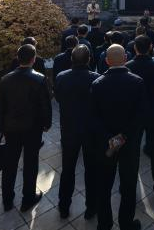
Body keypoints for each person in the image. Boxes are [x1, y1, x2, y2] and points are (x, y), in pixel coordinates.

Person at [90, 44, 147, 230]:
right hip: (129, 143)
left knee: (104, 185)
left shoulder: (97, 84)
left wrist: (111, 139)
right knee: (128, 185)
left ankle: (104, 223)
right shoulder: (137, 82)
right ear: (125, 59)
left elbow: (94, 117)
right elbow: (140, 116)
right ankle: (126, 223)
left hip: (106, 144)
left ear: (107, 61)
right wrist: (123, 137)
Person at [0, 44, 52, 212]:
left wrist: (1, 127)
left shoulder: (5, 79)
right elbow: (45, 105)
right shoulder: (40, 79)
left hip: (11, 127)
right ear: (34, 59)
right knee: (30, 162)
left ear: (17, 58)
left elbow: (0, 107)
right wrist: (47, 123)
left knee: (9, 163)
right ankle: (28, 198)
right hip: (32, 128)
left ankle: (7, 199)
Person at [55, 45, 100, 219]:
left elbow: (58, 98)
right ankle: (91, 207)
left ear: (71, 59)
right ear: (89, 59)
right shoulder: (96, 79)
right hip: (90, 131)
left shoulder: (61, 77)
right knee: (91, 170)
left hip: (69, 129)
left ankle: (64, 205)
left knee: (67, 169)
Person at [126, 35, 154, 200]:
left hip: (134, 114)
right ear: (150, 47)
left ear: (135, 48)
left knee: (132, 152)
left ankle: (128, 187)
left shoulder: (128, 67)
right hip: (153, 111)